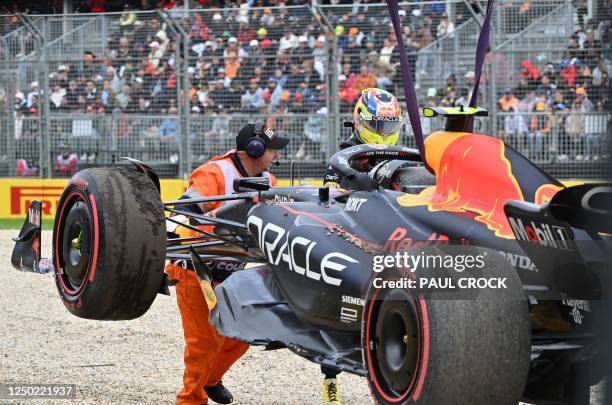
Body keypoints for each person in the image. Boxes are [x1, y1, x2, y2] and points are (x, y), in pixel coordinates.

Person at [165, 122, 288, 405]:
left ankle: (210, 380)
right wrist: (223, 216)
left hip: (231, 272)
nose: (276, 156)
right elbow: (183, 212)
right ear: (255, 150)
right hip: (195, 269)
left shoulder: (270, 182)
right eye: (272, 150)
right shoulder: (215, 173)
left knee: (244, 334)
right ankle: (190, 400)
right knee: (204, 342)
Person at [323, 87, 402, 187]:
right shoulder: (343, 158)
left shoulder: (402, 157)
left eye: (390, 126)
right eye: (377, 125)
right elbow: (331, 195)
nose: (383, 133)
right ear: (360, 121)